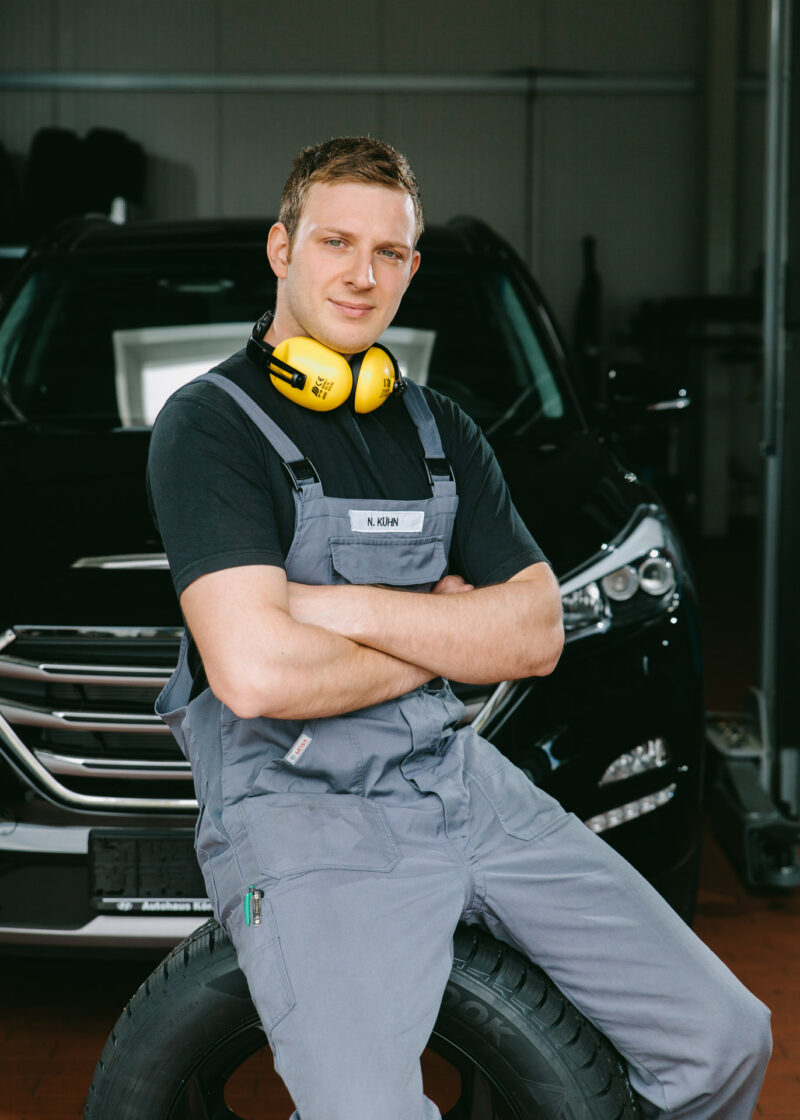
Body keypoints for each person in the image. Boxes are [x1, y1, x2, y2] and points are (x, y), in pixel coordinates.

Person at [147, 136, 771, 1120]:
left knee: (724, 1040)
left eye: (386, 252)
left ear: (410, 267)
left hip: (458, 780)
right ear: (281, 248)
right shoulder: (209, 426)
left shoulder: (442, 430)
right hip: (307, 812)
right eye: (334, 241)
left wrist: (334, 606)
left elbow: (530, 638)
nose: (360, 273)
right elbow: (257, 672)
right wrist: (442, 628)